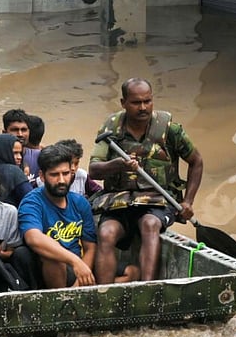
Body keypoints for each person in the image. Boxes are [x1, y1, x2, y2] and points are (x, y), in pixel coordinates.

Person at [88, 77, 203, 283]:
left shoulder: (170, 129)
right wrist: (119, 165)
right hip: (120, 201)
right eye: (136, 102)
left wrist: (188, 202)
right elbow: (94, 170)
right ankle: (103, 296)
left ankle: (148, 289)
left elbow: (196, 162)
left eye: (147, 101)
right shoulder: (110, 130)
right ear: (123, 103)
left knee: (149, 224)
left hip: (158, 201)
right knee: (106, 233)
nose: (143, 107)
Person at [18, 144, 97, 289]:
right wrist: (74, 261)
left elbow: (90, 247)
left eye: (66, 173)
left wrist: (80, 281)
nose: (61, 180)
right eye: (54, 175)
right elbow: (33, 238)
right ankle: (61, 304)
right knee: (54, 259)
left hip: (77, 269)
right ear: (42, 176)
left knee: (131, 271)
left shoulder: (80, 203)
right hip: (47, 269)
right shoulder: (32, 202)